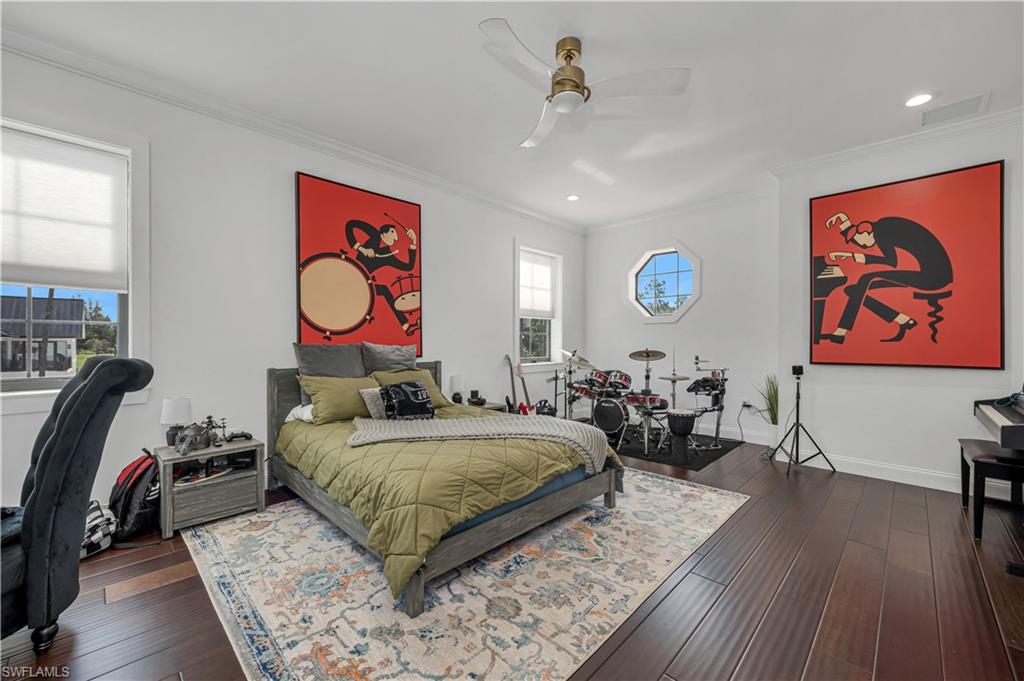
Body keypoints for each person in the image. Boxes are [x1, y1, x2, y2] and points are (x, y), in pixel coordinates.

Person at [820, 212, 952, 344]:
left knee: (866, 278)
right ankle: (904, 320)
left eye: (862, 244)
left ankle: (841, 332)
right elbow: (855, 230)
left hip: (933, 277)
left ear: (866, 233)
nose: (863, 247)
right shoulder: (881, 227)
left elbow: (890, 261)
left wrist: (851, 255)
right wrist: (843, 219)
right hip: (933, 274)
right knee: (854, 290)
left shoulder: (882, 234)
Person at [344, 219, 420, 336]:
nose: (396, 238)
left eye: (396, 234)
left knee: (384, 290)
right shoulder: (375, 235)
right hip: (352, 275)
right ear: (383, 234)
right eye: (393, 232)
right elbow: (351, 225)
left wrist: (414, 242)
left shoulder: (388, 255)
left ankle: (406, 326)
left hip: (363, 282)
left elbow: (408, 267)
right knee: (383, 290)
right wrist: (360, 248)